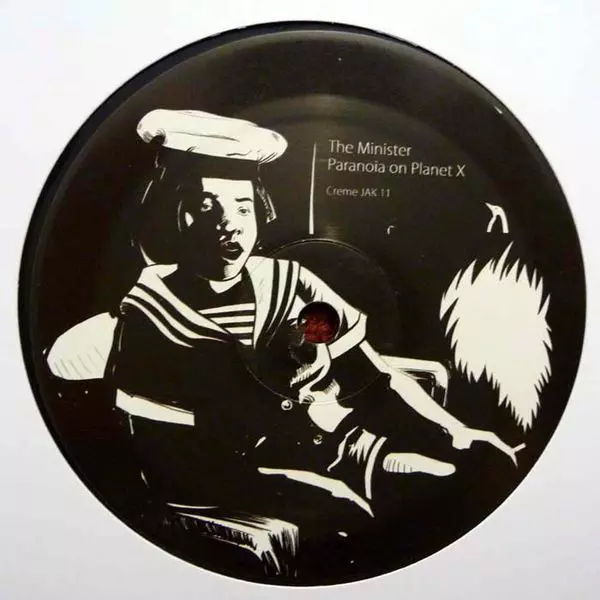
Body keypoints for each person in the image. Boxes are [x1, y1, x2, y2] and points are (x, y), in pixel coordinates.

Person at [47, 109, 523, 524]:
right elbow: (175, 444)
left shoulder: (289, 282)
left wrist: (454, 430)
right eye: (206, 207)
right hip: (210, 474)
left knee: (440, 481)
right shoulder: (150, 310)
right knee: (347, 509)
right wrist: (351, 452)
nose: (229, 224)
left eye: (242, 207)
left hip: (327, 445)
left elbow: (374, 377)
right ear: (173, 217)